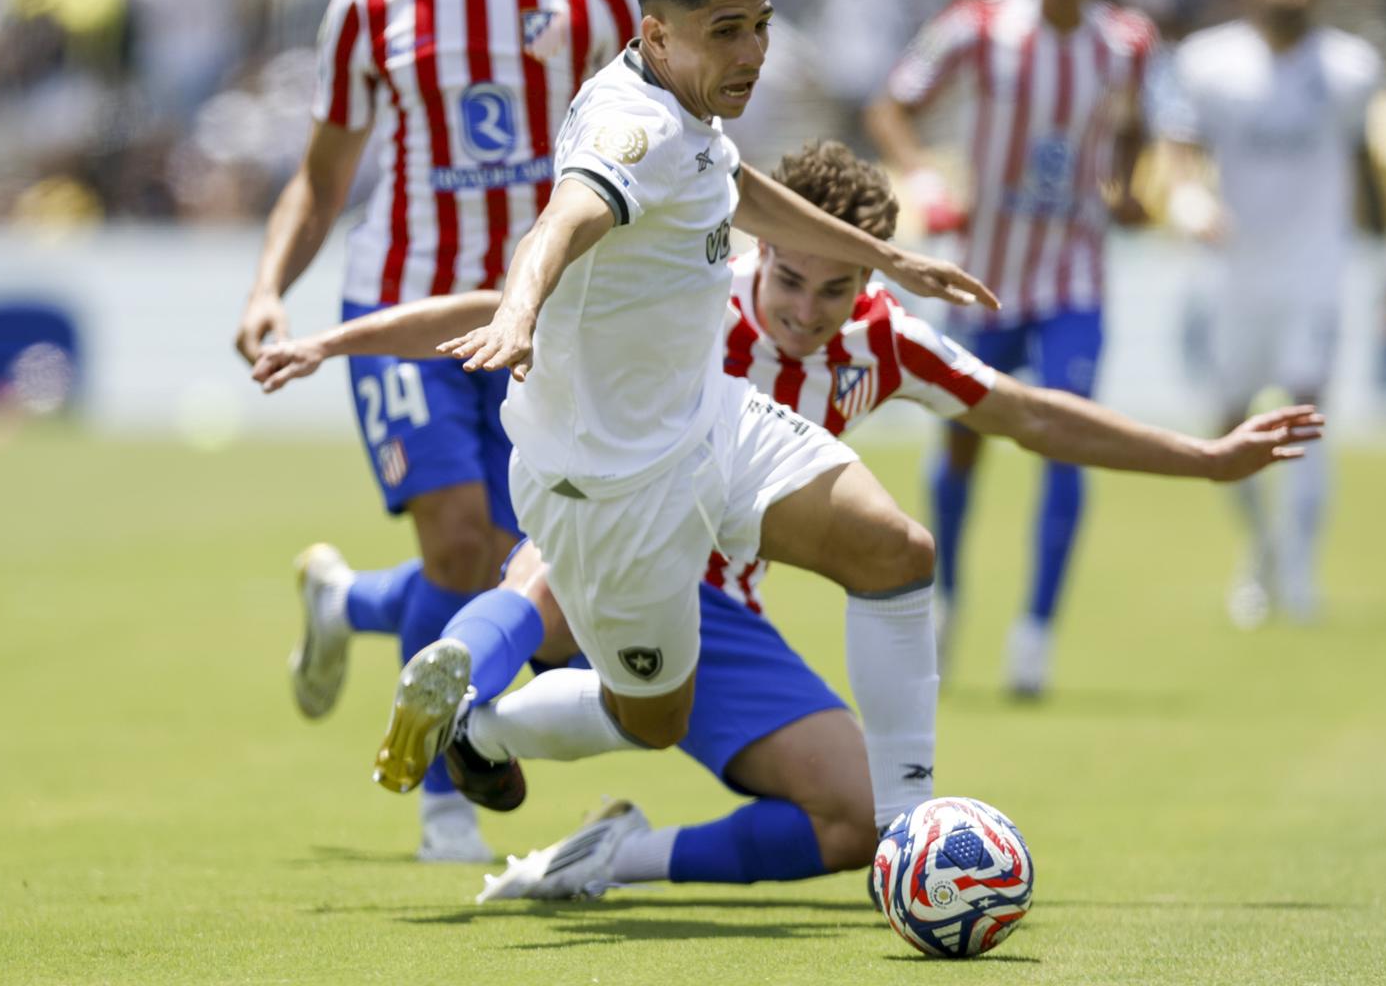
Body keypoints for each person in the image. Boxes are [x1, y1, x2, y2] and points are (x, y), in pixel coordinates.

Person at [252, 141, 1323, 900]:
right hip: (617, 522)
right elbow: (490, 302)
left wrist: (1205, 457)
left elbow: (1031, 413)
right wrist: (333, 344)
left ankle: (599, 844)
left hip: (725, 612)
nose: (806, 312)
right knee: (562, 568)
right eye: (791, 278)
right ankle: (465, 679)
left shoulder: (888, 340)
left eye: (836, 289)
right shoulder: (684, 287)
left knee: (849, 821)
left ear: (870, 281)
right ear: (757, 250)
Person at [229, 0, 637, 863]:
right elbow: (323, 172)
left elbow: (658, 130)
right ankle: (442, 793)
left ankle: (349, 601)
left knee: (520, 569)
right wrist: (271, 288)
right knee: (463, 540)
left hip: (546, 314)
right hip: (404, 300)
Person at [865, 0, 1158, 696]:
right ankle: (947, 601)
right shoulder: (981, 26)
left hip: (1073, 275)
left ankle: (1034, 634)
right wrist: (924, 175)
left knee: (1067, 431)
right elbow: (893, 102)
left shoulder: (1126, 42)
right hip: (984, 277)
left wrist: (1126, 187)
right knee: (962, 443)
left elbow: (1137, 126)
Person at [1158, 0, 1386, 626]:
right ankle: (1261, 545)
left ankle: (1300, 571)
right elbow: (1178, 152)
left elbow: (1364, 164)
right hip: (1236, 274)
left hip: (1314, 269)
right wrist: (1190, 204)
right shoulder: (1208, 62)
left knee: (1307, 410)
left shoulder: (1350, 67)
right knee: (1229, 423)